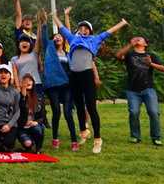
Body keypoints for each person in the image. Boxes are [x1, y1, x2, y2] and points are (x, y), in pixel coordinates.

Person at [54, 10, 128, 154]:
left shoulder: (94, 39)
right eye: (81, 28)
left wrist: (122, 23)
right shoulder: (72, 39)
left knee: (91, 107)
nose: (83, 30)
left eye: (86, 28)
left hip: (87, 75)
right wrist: (54, 16)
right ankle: (83, 131)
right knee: (79, 106)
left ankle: (98, 139)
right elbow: (62, 28)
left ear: (90, 31)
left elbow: (109, 31)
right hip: (74, 76)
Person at [36, 9, 78, 151]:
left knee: (67, 112)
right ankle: (55, 138)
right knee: (56, 112)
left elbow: (68, 32)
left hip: (67, 85)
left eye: (60, 36)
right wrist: (44, 22)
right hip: (53, 85)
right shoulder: (48, 48)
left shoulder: (68, 52)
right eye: (55, 36)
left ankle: (74, 140)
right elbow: (44, 37)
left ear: (63, 39)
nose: (57, 37)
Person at [116, 36, 164, 146]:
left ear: (145, 44)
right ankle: (135, 136)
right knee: (134, 112)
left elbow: (163, 68)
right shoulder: (129, 55)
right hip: (132, 90)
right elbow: (118, 55)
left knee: (154, 112)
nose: (137, 39)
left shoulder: (151, 55)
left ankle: (156, 137)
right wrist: (130, 45)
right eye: (136, 38)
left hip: (148, 89)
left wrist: (151, 64)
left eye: (140, 38)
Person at [0, 64, 20, 152]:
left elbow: (18, 111)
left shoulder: (15, 92)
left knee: (8, 143)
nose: (3, 75)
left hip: (10, 124)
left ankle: (4, 142)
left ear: (10, 76)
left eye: (6, 72)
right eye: (0, 72)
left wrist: (9, 125)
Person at [17, 74, 46, 153]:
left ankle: (38, 148)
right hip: (22, 127)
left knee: (38, 128)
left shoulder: (39, 97)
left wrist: (35, 122)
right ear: (22, 83)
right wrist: (23, 95)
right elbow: (19, 109)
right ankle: (29, 143)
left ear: (33, 83)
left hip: (33, 124)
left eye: (30, 80)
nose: (27, 82)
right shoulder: (17, 97)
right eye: (25, 81)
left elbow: (43, 116)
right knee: (28, 144)